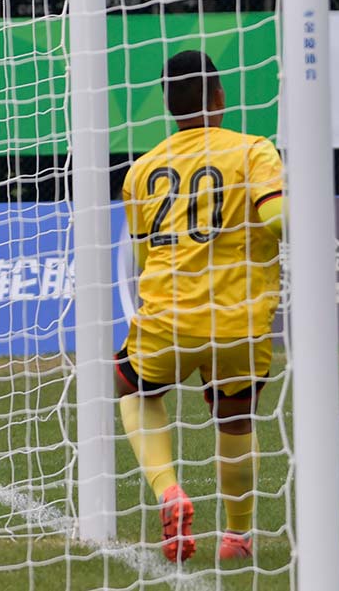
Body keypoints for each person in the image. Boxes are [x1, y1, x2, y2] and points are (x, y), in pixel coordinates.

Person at [115, 51, 283, 563]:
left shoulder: (142, 170)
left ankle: (169, 490)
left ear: (168, 104)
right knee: (235, 420)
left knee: (128, 386)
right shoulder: (254, 151)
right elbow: (278, 219)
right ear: (220, 96)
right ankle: (237, 537)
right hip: (238, 318)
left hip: (167, 317)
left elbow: (143, 256)